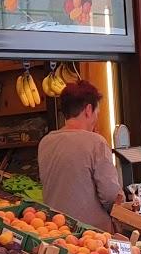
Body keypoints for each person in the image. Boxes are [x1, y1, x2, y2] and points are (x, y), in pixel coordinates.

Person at [36, 79, 123, 232]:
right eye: (97, 112)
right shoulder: (96, 143)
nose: (97, 117)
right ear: (88, 110)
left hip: (56, 229)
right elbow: (110, 195)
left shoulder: (46, 142)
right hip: (92, 236)